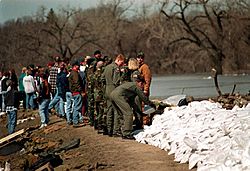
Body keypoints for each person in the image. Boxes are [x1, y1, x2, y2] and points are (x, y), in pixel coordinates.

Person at [110, 75, 156, 140]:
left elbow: (133, 104)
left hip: (112, 95)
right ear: (140, 82)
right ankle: (127, 133)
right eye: (143, 85)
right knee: (129, 113)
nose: (142, 87)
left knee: (120, 114)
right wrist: (151, 104)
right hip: (118, 96)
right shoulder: (136, 86)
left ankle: (119, 131)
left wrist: (140, 113)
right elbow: (143, 97)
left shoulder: (130, 88)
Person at [102, 54, 125, 136]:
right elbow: (116, 81)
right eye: (122, 63)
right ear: (119, 60)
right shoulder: (116, 68)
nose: (122, 65)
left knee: (109, 111)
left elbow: (102, 78)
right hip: (114, 90)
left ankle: (109, 129)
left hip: (107, 90)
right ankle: (116, 131)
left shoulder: (107, 67)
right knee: (116, 111)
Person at [68, 61, 85, 127]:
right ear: (75, 66)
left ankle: (75, 120)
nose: (79, 66)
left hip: (74, 92)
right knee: (77, 107)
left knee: (75, 106)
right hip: (77, 92)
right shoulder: (75, 73)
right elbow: (77, 83)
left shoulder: (71, 73)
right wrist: (81, 91)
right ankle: (75, 122)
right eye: (78, 65)